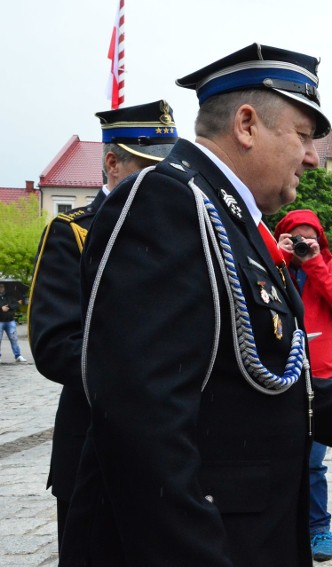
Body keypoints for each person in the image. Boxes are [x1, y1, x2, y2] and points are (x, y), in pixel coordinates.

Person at [58, 44, 332, 567]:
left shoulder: (228, 217)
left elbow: (250, 378)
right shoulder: (165, 202)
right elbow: (142, 423)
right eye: (303, 135)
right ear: (247, 125)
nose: (313, 156)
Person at [27, 100, 178, 549]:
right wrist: (145, 375)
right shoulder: (73, 233)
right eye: (147, 167)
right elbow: (55, 344)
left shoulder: (177, 230)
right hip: (96, 440)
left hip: (170, 452)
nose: (161, 180)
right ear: (112, 163)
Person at [273, 208, 332, 561]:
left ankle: (318, 528)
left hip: (319, 374)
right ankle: (279, 526)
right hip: (276, 373)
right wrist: (278, 255)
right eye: (296, 237)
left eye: (310, 237)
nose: (303, 243)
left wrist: (315, 263)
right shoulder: (271, 260)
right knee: (276, 458)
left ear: (319, 239)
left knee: (312, 462)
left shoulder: (330, 264)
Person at [0, 282, 25, 363]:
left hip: (10, 321)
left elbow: (17, 304)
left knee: (14, 339)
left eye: (2, 287)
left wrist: (9, 307)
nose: (1, 288)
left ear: (5, 287)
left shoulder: (10, 296)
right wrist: (1, 308)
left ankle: (18, 356)